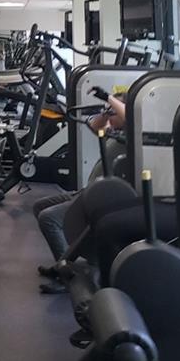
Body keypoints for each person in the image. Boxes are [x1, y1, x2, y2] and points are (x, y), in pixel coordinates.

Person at [33, 94, 128, 271]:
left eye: (114, 113)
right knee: (40, 206)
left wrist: (108, 98)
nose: (110, 117)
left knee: (49, 218)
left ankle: (65, 272)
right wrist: (107, 112)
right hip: (89, 191)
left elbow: (130, 115)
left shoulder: (134, 136)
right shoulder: (115, 133)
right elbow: (95, 125)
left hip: (104, 198)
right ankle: (66, 261)